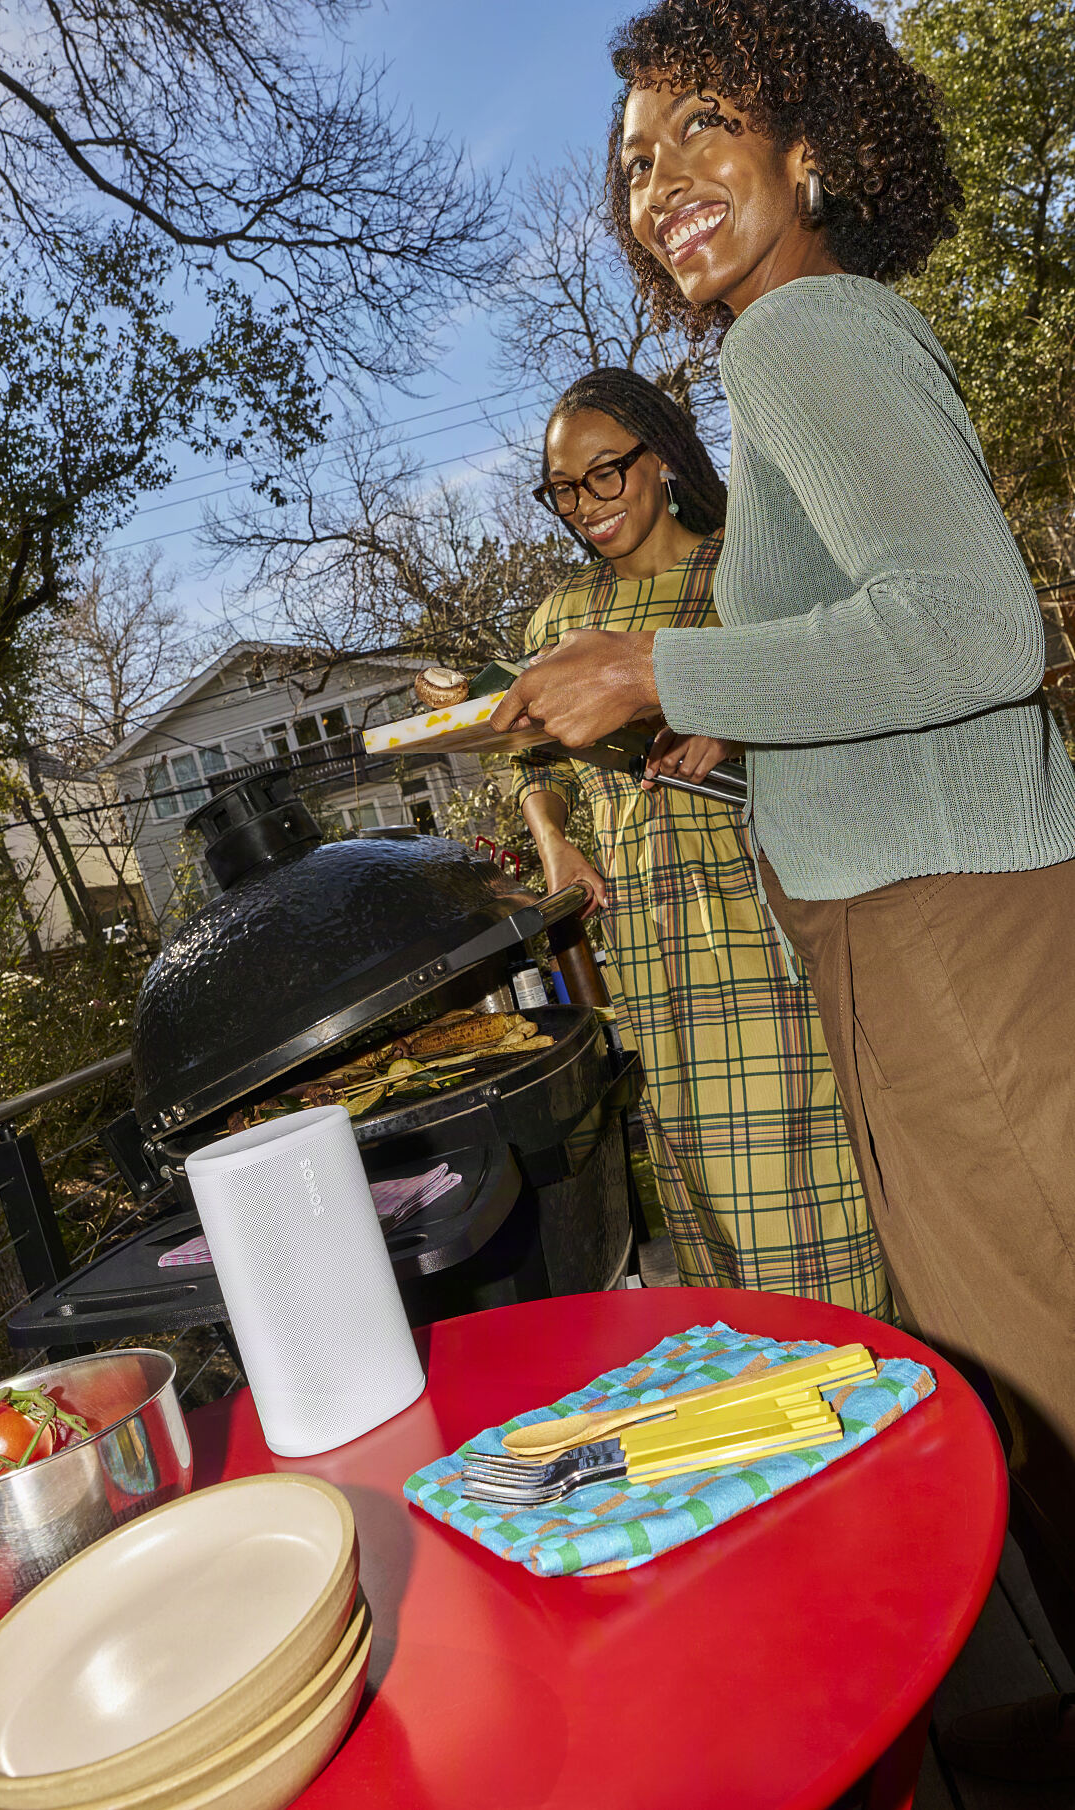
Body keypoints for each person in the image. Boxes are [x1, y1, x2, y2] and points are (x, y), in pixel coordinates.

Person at [491, 0, 1075, 1780]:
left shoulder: (797, 334)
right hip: (918, 919)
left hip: (948, 939)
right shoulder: (818, 333)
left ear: (806, 142)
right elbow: (902, 651)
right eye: (632, 160)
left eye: (702, 125)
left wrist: (659, 668)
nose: (659, 178)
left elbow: (978, 631)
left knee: (1050, 1383)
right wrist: (734, 729)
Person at [512, 367, 887, 1317]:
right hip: (643, 943)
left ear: (665, 458)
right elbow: (533, 757)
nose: (586, 504)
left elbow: (840, 690)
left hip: (760, 923)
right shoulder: (560, 621)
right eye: (563, 488)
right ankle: (762, 1391)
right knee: (702, 1210)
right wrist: (555, 841)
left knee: (796, 1196)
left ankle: (861, 1375)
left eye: (605, 472)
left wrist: (734, 710)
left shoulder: (746, 576)